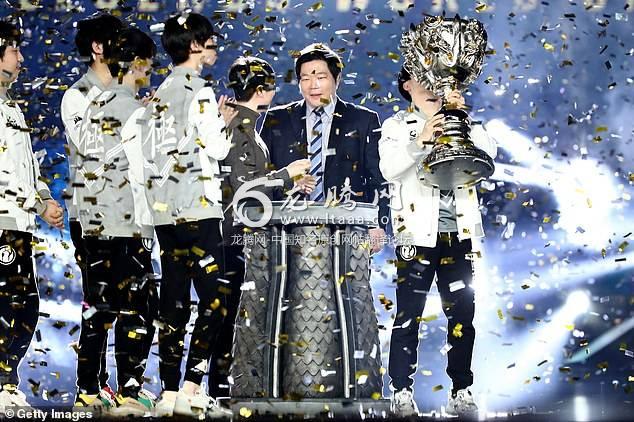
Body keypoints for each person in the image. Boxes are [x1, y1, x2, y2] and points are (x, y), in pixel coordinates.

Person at [379, 67, 497, 417]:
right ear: (407, 86)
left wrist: (461, 116)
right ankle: (401, 391)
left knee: (462, 316)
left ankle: (461, 389)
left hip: (459, 236)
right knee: (408, 316)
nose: (432, 88)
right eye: (424, 80)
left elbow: (489, 154)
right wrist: (420, 142)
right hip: (416, 235)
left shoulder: (461, 121)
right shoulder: (397, 126)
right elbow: (389, 169)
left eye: (439, 81)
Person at [141, 13, 235, 418]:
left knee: (174, 301)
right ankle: (194, 384)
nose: (213, 44)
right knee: (216, 296)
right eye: (208, 39)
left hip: (165, 214)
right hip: (198, 208)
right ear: (194, 46)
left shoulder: (159, 93)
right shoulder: (198, 91)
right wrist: (224, 122)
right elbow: (218, 149)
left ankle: (167, 390)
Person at [74, 27, 158, 416]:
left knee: (97, 308)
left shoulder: (94, 105)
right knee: (137, 311)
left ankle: (88, 390)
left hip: (93, 224)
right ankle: (129, 390)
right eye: (149, 67)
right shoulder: (135, 112)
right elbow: (150, 173)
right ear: (136, 65)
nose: (150, 76)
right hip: (126, 226)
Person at [216, 56, 311, 398]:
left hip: (239, 234)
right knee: (228, 317)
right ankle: (215, 387)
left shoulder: (244, 127)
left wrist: (289, 184)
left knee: (230, 317)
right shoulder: (241, 130)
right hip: (232, 237)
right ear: (261, 91)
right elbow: (242, 188)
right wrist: (287, 174)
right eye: (271, 86)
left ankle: (219, 386)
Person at [259, 43, 388, 251]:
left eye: (320, 77)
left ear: (337, 79)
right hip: (287, 230)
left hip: (348, 228)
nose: (313, 86)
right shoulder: (278, 118)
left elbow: (377, 178)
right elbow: (264, 174)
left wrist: (377, 224)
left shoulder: (363, 120)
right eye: (305, 78)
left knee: (347, 284)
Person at [59, 13, 123, 409]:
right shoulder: (76, 96)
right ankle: (88, 387)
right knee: (99, 304)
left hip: (130, 217)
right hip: (94, 216)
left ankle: (120, 385)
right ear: (98, 47)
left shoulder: (128, 91)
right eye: (117, 41)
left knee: (128, 306)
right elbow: (91, 146)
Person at [0, 20, 64, 414]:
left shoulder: (13, 109)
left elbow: (26, 168)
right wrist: (37, 203)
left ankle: (6, 379)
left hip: (18, 225)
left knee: (23, 305)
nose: (21, 58)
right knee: (10, 305)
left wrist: (43, 198)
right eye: (13, 50)